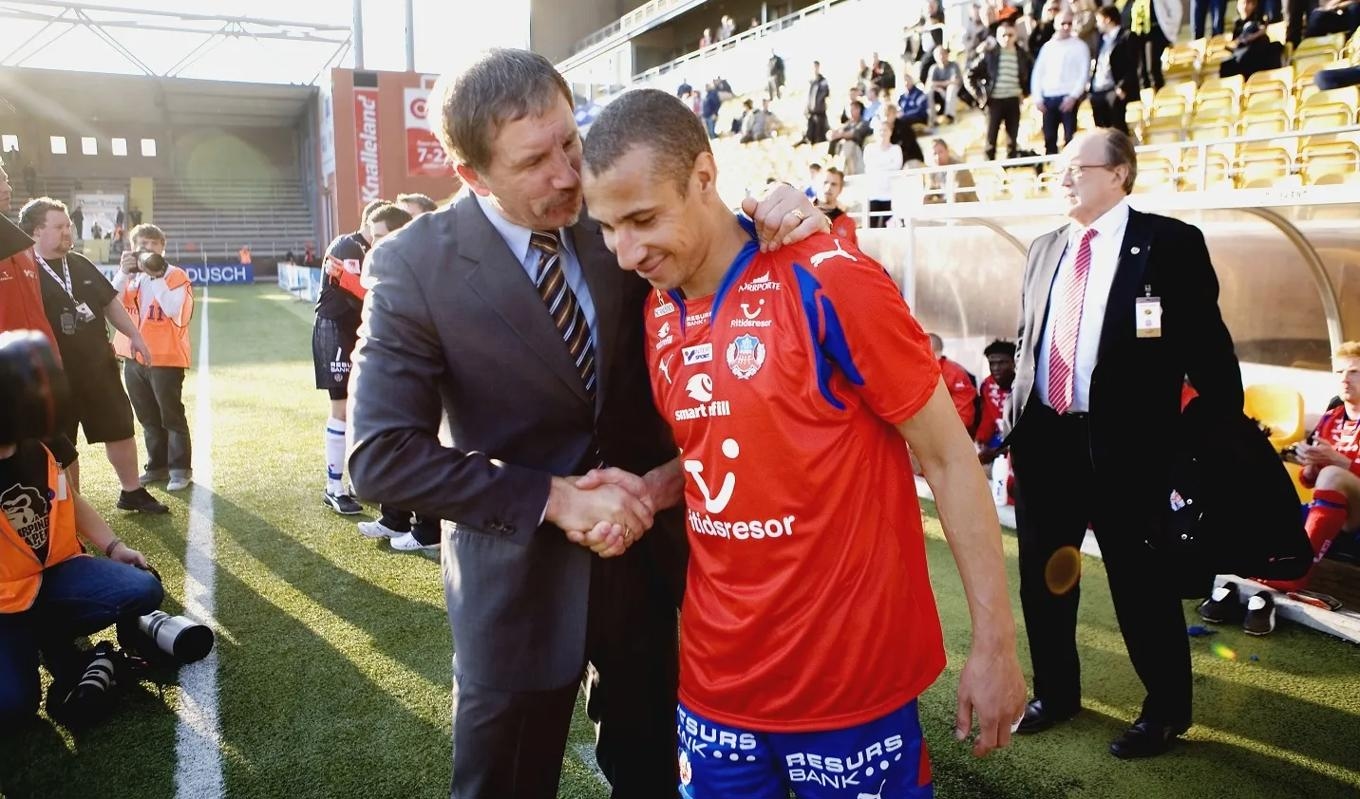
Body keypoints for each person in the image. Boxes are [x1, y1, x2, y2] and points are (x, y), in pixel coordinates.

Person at [345, 49, 824, 799]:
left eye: (570, 140)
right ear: (472, 175)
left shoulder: (610, 213)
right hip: (516, 583)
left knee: (657, 777)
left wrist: (783, 208)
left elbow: (714, 243)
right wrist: (561, 499)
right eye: (536, 161)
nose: (569, 173)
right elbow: (379, 458)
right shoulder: (412, 266)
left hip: (651, 568)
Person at [579, 87, 1026, 798]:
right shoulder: (657, 310)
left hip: (852, 691)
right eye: (606, 227)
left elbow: (947, 456)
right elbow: (730, 449)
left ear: (704, 176)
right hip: (713, 689)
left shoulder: (829, 280)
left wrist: (995, 644)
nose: (625, 251)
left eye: (642, 219)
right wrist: (649, 489)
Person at [1007, 129, 1243, 758]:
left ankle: (1166, 710)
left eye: (1076, 169)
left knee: (1141, 584)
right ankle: (1056, 693)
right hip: (1047, 439)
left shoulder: (1169, 244)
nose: (1063, 179)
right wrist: (1015, 426)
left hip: (1130, 450)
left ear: (1119, 174)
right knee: (1044, 580)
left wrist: (1197, 449)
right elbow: (1029, 340)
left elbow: (1211, 355)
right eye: (1061, 169)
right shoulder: (1043, 247)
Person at [0, 331, 164, 732]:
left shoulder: (41, 444)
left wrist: (113, 545)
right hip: (4, 603)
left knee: (143, 588)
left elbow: (68, 501)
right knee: (13, 708)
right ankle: (38, 645)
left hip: (56, 572)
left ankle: (52, 638)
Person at [22, 198, 167, 514]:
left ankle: (132, 491)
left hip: (99, 366)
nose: (67, 231)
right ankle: (72, 509)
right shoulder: (24, 271)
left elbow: (110, 302)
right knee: (64, 444)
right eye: (59, 227)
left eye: (68, 225)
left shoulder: (80, 262)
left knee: (119, 427)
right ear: (35, 232)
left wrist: (135, 336)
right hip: (53, 375)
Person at [312, 199, 391, 516]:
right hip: (335, 329)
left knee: (360, 409)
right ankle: (334, 487)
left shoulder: (368, 248)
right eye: (383, 233)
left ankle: (358, 480)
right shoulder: (348, 244)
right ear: (370, 224)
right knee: (342, 408)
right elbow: (358, 289)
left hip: (356, 330)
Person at [113, 224, 195, 492]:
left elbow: (173, 309)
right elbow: (107, 300)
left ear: (162, 246)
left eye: (153, 244)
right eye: (142, 244)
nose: (147, 249)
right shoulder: (130, 276)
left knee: (171, 416)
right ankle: (157, 466)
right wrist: (123, 272)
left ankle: (180, 470)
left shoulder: (175, 275)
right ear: (133, 246)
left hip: (165, 357)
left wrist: (156, 276)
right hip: (133, 357)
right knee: (147, 417)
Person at [1031, 9, 1091, 155]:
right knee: (1049, 139)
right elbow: (1038, 74)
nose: (1066, 27)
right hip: (1048, 99)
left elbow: (1084, 74)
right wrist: (1038, 99)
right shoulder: (1047, 47)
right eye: (1063, 23)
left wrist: (1073, 97)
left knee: (1070, 139)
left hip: (1068, 99)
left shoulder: (1080, 46)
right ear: (1056, 24)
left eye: (1069, 23)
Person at [971, 19, 1033, 160]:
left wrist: (1025, 93)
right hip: (995, 101)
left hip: (1013, 100)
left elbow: (1031, 74)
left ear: (1015, 35)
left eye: (1010, 35)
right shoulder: (990, 54)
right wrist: (981, 95)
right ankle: (990, 168)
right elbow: (970, 75)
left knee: (1012, 139)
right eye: (1003, 35)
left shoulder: (1022, 55)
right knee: (991, 140)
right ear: (998, 36)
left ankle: (1011, 167)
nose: (1007, 38)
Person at [1090, 6, 1140, 134]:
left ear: (1107, 19)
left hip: (1116, 90)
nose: (1097, 24)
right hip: (1099, 90)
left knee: (1117, 131)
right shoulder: (1101, 40)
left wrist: (1122, 86)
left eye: (1098, 20)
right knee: (1101, 132)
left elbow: (1132, 65)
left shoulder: (1127, 36)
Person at [1124, 0, 1182, 91]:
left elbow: (1176, 10)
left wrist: (1171, 29)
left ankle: (1159, 95)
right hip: (1139, 34)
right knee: (1141, 71)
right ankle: (1147, 98)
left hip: (1156, 32)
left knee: (1152, 69)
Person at [1219, 0, 1285, 79]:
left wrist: (1252, 37)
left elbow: (1262, 31)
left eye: (1248, 3)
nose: (1245, 7)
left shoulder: (1258, 19)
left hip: (1256, 53)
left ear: (1254, 5)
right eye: (1242, 3)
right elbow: (1235, 43)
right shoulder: (1237, 24)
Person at [975, 339, 1017, 464]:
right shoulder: (987, 385)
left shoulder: (1024, 388)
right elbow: (988, 416)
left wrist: (995, 453)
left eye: (1002, 363)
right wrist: (980, 440)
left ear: (1015, 362)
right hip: (998, 440)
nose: (996, 368)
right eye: (992, 363)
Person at [929, 333, 979, 432]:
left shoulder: (954, 372)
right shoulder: (916, 370)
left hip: (950, 432)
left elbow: (964, 414)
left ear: (937, 353)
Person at [863, 112, 904, 228]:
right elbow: (869, 166)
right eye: (880, 130)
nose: (882, 133)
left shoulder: (896, 149)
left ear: (890, 132)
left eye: (885, 130)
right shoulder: (869, 149)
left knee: (889, 227)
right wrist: (886, 166)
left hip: (891, 195)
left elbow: (897, 166)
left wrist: (879, 167)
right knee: (872, 227)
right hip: (873, 194)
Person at [925, 139, 979, 204]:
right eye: (934, 153)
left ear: (947, 151)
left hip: (969, 208)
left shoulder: (959, 169)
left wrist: (932, 203)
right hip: (948, 209)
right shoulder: (934, 172)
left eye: (940, 152)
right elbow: (927, 194)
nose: (938, 157)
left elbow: (956, 199)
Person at [827, 100, 871, 175]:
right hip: (844, 152)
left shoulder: (864, 123)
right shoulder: (848, 123)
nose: (851, 112)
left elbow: (854, 134)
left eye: (853, 109)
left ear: (859, 109)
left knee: (848, 144)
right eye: (850, 110)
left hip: (857, 153)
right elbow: (835, 133)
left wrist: (840, 134)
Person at [818, 166, 859, 245]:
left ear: (840, 189)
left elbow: (854, 252)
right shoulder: (803, 213)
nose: (828, 187)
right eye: (825, 182)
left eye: (833, 184)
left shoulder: (848, 223)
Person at [926, 45, 964, 128]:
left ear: (947, 54)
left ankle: (949, 116)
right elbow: (929, 83)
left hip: (955, 93)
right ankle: (932, 118)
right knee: (929, 91)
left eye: (943, 54)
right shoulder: (933, 68)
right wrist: (942, 86)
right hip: (939, 93)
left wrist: (940, 84)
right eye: (938, 55)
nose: (941, 56)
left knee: (951, 88)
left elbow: (956, 81)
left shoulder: (954, 65)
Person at [803, 61, 831, 145]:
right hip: (811, 111)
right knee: (810, 134)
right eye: (813, 67)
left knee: (820, 136)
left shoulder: (823, 80)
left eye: (816, 67)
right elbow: (809, 96)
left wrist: (818, 104)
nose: (815, 69)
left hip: (819, 112)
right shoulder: (811, 82)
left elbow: (826, 93)